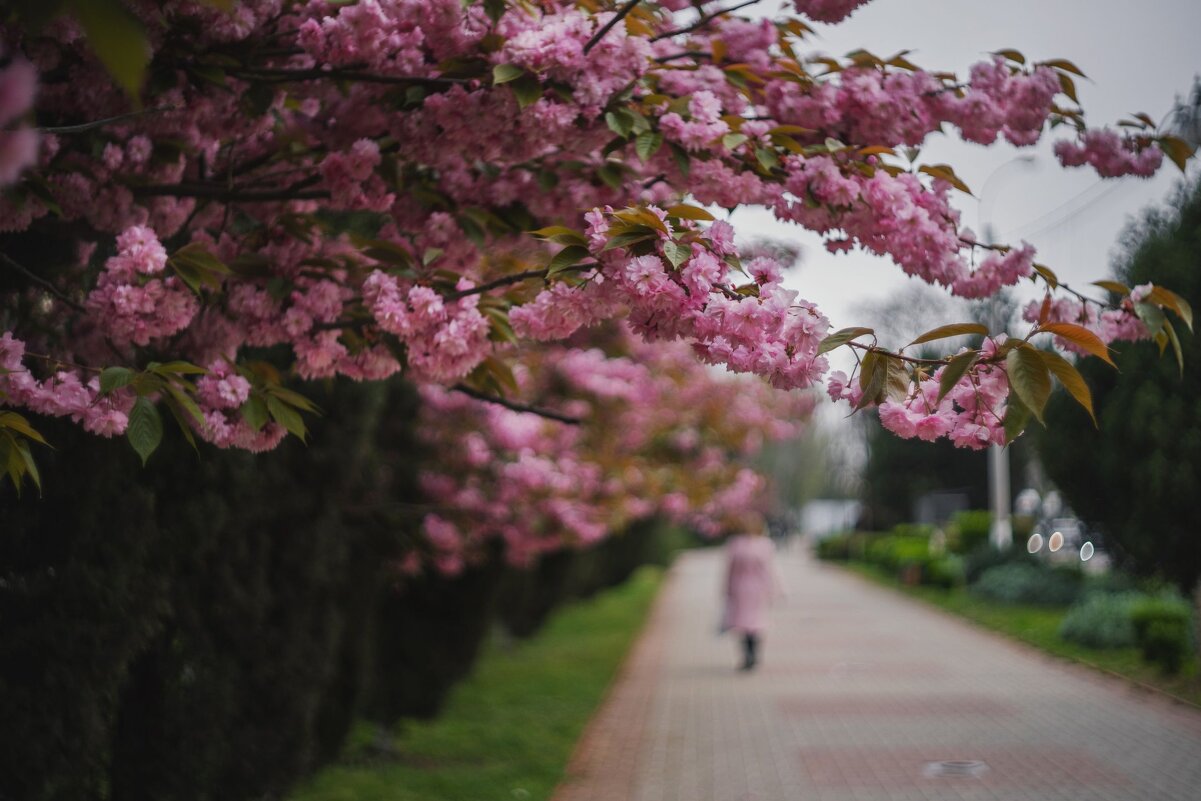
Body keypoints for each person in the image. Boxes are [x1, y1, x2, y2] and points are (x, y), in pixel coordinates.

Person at [722, 517, 782, 671]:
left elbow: (769, 570)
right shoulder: (759, 544)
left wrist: (727, 588)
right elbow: (768, 570)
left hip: (748, 588)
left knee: (748, 622)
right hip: (749, 588)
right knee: (750, 622)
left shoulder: (741, 544)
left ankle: (750, 654)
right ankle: (751, 654)